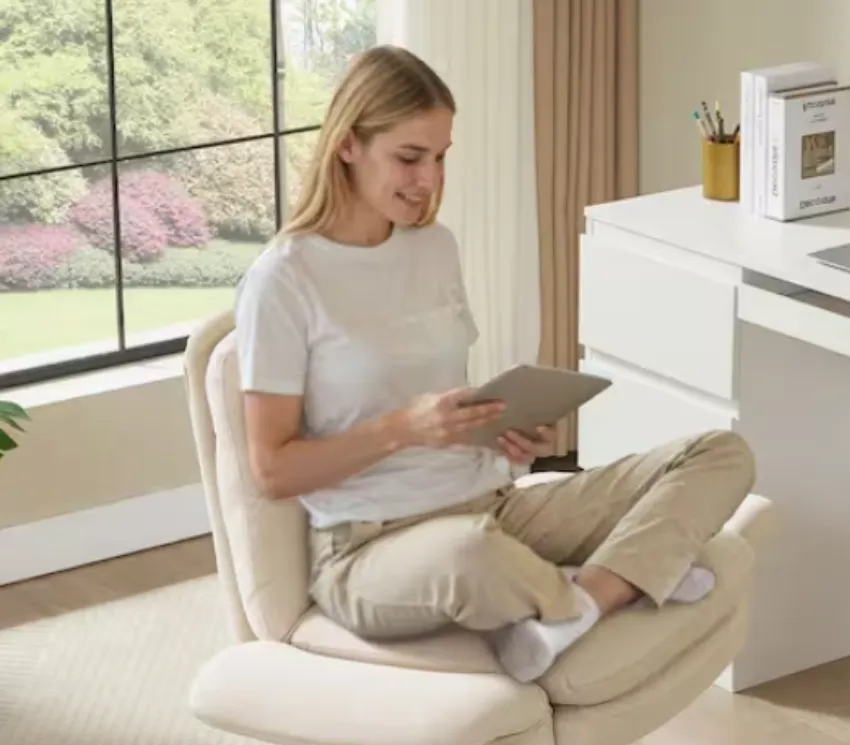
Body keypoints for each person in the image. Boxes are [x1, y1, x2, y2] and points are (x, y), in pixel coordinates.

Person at [234, 44, 756, 684]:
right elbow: (270, 471)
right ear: (347, 145)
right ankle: (620, 580)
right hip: (370, 547)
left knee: (719, 454)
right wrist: (405, 429)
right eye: (409, 157)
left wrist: (506, 435)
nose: (429, 179)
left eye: (440, 157)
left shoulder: (434, 247)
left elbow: (439, 396)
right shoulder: (284, 280)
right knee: (471, 554)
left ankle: (580, 599)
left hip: (492, 506)